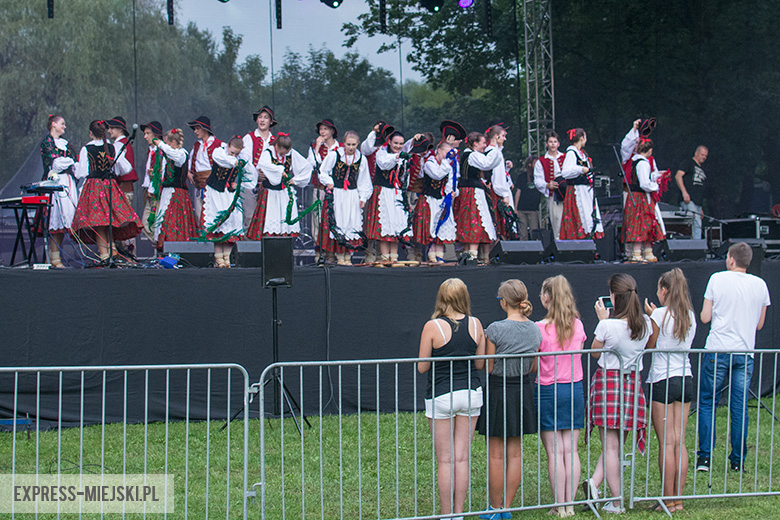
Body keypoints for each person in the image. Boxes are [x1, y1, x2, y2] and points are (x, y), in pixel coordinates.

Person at [696, 242, 770, 473]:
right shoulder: (760, 285)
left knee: (708, 402)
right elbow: (759, 324)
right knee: (739, 407)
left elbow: (705, 317)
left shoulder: (717, 279)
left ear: (730, 259)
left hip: (718, 349)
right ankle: (737, 461)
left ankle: (704, 459)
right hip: (744, 352)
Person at [417, 278, 486, 520]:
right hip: (470, 393)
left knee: (445, 461)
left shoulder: (432, 326)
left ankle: (446, 515)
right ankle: (459, 514)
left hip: (442, 394)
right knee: (462, 458)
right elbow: (480, 364)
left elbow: (422, 367)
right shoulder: (476, 324)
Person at [584, 273, 652, 514]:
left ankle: (615, 501)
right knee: (616, 445)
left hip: (609, 383)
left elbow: (594, 352)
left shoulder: (607, 325)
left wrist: (603, 320)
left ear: (613, 297)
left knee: (611, 446)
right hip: (632, 383)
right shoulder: (645, 323)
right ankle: (594, 483)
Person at [476, 280, 541, 520]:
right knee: (515, 453)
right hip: (522, 390)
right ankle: (506, 507)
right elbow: (534, 366)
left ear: (503, 302)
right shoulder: (535, 330)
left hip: (498, 390)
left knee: (496, 454)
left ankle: (494, 509)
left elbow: (488, 366)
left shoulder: (495, 329)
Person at [643, 268, 696, 513]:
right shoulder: (689, 315)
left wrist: (652, 316)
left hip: (663, 379)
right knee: (679, 441)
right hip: (685, 378)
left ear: (664, 291)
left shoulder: (659, 315)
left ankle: (667, 499)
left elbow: (650, 344)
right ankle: (678, 500)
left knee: (666, 443)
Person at [536, 275, 587, 518]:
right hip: (574, 389)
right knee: (571, 450)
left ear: (547, 297)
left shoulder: (540, 327)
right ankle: (570, 504)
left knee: (555, 452)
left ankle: (559, 504)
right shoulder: (578, 325)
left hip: (549, 389)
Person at [72, 120, 142, 262]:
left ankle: (105, 255)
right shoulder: (111, 147)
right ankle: (112, 252)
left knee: (99, 223)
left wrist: (75, 167)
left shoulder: (87, 148)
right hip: (109, 185)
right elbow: (126, 168)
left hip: (94, 187)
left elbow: (81, 173)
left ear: (91, 133)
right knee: (108, 221)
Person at [318, 130, 372, 265]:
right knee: (339, 222)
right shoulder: (335, 155)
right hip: (338, 193)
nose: (351, 147)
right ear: (344, 143)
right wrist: (329, 182)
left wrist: (363, 197)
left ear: (358, 144)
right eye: (348, 144)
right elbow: (323, 171)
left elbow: (364, 180)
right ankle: (339, 255)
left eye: (354, 145)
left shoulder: (361, 159)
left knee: (350, 222)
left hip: (352, 195)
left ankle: (348, 256)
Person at [245, 134, 314, 239]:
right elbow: (264, 165)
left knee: (285, 219)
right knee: (271, 218)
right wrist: (280, 171)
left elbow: (306, 166)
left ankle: (284, 243)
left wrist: (295, 180)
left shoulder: (291, 154)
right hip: (270, 192)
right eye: (281, 153)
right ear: (276, 146)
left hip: (284, 193)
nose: (283, 155)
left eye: (285, 153)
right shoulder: (268, 153)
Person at [200, 136, 253, 267]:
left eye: (236, 153)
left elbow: (251, 175)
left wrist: (239, 185)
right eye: (232, 152)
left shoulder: (241, 159)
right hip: (215, 192)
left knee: (231, 225)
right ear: (227, 146)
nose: (234, 155)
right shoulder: (219, 152)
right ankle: (219, 259)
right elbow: (224, 161)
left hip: (229, 194)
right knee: (218, 225)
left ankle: (227, 259)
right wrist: (235, 161)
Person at [363, 130, 413, 263]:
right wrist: (397, 157)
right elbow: (384, 164)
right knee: (384, 224)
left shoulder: (403, 158)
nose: (398, 146)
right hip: (383, 191)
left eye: (401, 144)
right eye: (395, 143)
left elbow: (404, 178)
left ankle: (394, 257)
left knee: (396, 225)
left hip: (396, 193)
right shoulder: (382, 153)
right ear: (389, 142)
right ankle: (385, 257)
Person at [455, 132, 503, 263]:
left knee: (472, 221)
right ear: (475, 143)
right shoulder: (472, 155)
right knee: (474, 222)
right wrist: (494, 147)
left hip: (469, 191)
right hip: (471, 192)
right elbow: (487, 163)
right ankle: (472, 257)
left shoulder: (470, 155)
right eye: (482, 143)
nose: (484, 146)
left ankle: (471, 255)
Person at [147, 128, 197, 252]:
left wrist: (161, 144)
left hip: (177, 194)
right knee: (164, 221)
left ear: (173, 143)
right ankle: (166, 253)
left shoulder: (181, 153)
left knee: (174, 222)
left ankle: (176, 253)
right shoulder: (167, 156)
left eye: (167, 143)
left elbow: (177, 158)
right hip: (166, 192)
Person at [39, 114, 78, 268]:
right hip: (55, 182)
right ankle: (54, 257)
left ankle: (55, 256)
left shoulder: (66, 143)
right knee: (55, 218)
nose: (64, 126)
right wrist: (70, 161)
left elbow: (74, 161)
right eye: (62, 123)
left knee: (64, 221)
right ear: (53, 124)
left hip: (67, 182)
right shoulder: (47, 142)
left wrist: (70, 162)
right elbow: (55, 163)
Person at [412, 140, 457, 263]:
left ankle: (439, 255)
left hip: (441, 200)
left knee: (441, 227)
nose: (448, 156)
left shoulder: (447, 166)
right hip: (429, 199)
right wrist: (447, 163)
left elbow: (450, 182)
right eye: (447, 153)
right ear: (439, 151)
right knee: (430, 226)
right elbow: (437, 175)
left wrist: (451, 192)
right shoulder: (429, 163)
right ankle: (431, 255)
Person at [622, 138, 666, 262]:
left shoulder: (636, 161)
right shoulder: (643, 163)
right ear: (650, 150)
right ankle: (637, 254)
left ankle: (648, 252)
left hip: (637, 196)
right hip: (640, 198)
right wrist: (656, 186)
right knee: (639, 224)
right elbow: (644, 183)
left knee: (646, 224)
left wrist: (658, 175)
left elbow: (645, 177)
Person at [559, 128, 603, 240]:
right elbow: (565, 172)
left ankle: (588, 241)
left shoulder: (582, 154)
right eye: (585, 137)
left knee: (589, 216)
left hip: (586, 191)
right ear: (582, 138)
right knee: (580, 218)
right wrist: (580, 169)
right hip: (577, 191)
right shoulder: (571, 153)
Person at [241, 105, 278, 231]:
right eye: (260, 117)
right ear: (257, 120)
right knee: (249, 217)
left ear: (271, 122)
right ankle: (248, 243)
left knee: (268, 219)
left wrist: (269, 174)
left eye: (266, 118)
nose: (262, 120)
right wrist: (255, 173)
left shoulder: (275, 141)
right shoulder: (249, 138)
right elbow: (245, 160)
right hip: (250, 185)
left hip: (269, 185)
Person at [309, 119, 341, 263]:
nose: (322, 132)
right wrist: (317, 147)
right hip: (319, 188)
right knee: (317, 220)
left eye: (326, 129)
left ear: (332, 131)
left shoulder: (340, 148)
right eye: (321, 129)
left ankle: (332, 252)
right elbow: (311, 165)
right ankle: (319, 253)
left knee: (334, 219)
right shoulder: (314, 147)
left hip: (336, 190)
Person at [106, 116, 138, 257]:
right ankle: (123, 255)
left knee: (123, 222)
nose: (109, 131)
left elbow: (121, 168)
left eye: (111, 128)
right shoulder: (123, 144)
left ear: (119, 129)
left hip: (122, 188)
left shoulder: (119, 145)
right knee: (122, 222)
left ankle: (128, 254)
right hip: (125, 188)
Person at [187, 116, 223, 222]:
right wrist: (188, 173)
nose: (195, 131)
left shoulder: (219, 144)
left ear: (205, 129)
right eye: (195, 129)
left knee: (212, 213)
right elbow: (190, 162)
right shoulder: (197, 146)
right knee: (199, 214)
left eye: (198, 128)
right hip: (199, 185)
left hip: (213, 185)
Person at [485, 125, 516, 240]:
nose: (504, 139)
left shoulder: (491, 151)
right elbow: (497, 177)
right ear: (496, 136)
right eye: (503, 136)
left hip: (493, 191)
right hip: (496, 193)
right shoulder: (495, 152)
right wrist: (505, 194)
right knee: (499, 226)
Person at [534, 131, 565, 240]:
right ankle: (560, 244)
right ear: (546, 144)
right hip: (554, 195)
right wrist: (547, 185)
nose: (553, 144)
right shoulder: (541, 161)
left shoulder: (565, 157)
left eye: (555, 142)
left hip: (568, 194)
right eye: (550, 142)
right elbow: (537, 180)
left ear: (558, 144)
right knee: (557, 220)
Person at [675, 145, 708, 240]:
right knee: (696, 223)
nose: (704, 157)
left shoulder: (701, 168)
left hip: (697, 202)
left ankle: (695, 243)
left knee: (697, 223)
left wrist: (700, 207)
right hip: (689, 200)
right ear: (696, 153)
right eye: (702, 155)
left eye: (705, 156)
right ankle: (697, 246)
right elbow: (678, 176)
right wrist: (684, 193)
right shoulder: (688, 163)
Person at [139, 120, 164, 241]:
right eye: (145, 133)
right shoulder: (151, 150)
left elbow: (162, 173)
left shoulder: (161, 151)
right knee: (147, 224)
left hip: (158, 193)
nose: (145, 137)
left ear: (156, 134)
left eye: (148, 133)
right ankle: (159, 245)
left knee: (154, 223)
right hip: (151, 192)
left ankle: (161, 246)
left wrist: (152, 188)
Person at [514, 156, 542, 241]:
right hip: (522, 209)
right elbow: (518, 192)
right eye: (535, 163)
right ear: (529, 164)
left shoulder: (539, 176)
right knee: (523, 234)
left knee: (534, 233)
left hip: (533, 209)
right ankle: (523, 248)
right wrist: (516, 208)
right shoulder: (522, 177)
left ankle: (535, 249)